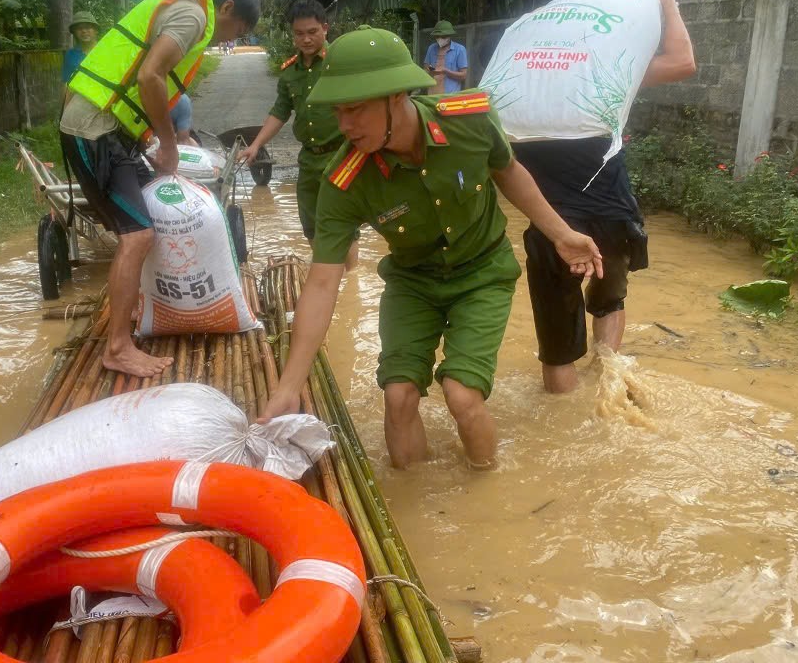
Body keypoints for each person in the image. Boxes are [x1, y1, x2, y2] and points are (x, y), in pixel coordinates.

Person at [257, 26, 603, 470]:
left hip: (483, 274)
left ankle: (486, 492)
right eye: (337, 111)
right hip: (412, 282)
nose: (343, 125)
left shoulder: (469, 118)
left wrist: (561, 234)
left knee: (461, 395)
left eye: (355, 109)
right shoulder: (344, 181)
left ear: (396, 97)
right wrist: (289, 386)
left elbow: (508, 171)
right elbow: (323, 283)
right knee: (398, 397)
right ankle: (419, 500)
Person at [60, 0, 260, 377]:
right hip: (94, 129)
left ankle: (138, 304)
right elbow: (150, 76)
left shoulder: (188, 12)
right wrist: (168, 145)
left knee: (152, 210)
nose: (226, 40)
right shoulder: (194, 16)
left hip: (112, 130)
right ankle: (117, 347)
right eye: (234, 31)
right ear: (226, 9)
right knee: (137, 234)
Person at [511, 0, 696, 394]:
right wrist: (668, 4)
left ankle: (563, 426)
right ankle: (606, 388)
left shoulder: (516, 85)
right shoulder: (604, 71)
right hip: (611, 214)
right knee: (609, 301)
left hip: (551, 227)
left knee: (557, 351)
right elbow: (683, 62)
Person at [238, 0, 358, 268]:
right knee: (311, 227)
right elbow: (280, 112)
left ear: (325, 29)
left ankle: (352, 282)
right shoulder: (290, 73)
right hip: (308, 161)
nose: (306, 39)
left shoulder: (339, 64)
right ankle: (330, 283)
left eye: (312, 32)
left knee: (344, 225)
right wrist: (255, 145)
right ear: (292, 34)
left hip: (341, 157)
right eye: (299, 33)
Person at [423, 20, 468, 94]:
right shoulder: (431, 48)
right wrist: (430, 70)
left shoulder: (460, 49)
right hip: (432, 95)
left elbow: (463, 75)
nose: (440, 38)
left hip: (450, 96)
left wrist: (445, 71)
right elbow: (426, 68)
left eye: (443, 36)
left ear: (449, 35)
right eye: (437, 36)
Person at [61, 11, 99, 89]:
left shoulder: (105, 50)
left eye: (88, 27)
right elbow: (66, 84)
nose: (84, 31)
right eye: (79, 28)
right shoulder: (70, 55)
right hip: (78, 98)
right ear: (74, 32)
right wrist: (65, 101)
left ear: (96, 30)